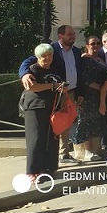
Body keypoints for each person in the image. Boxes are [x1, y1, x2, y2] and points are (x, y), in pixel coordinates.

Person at [19, 25, 84, 164]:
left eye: (73, 34)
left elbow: (79, 72)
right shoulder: (50, 49)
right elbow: (29, 61)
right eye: (70, 34)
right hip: (54, 94)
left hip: (70, 91)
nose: (73, 36)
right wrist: (25, 74)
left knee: (66, 122)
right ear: (60, 36)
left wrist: (80, 91)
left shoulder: (77, 51)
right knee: (54, 125)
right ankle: (62, 154)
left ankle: (63, 154)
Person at [20, 43, 64, 182]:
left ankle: (49, 168)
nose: (47, 58)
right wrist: (52, 86)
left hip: (52, 107)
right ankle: (32, 171)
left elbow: (60, 84)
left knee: (51, 137)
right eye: (43, 56)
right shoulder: (33, 69)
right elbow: (32, 87)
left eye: (49, 55)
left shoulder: (56, 67)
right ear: (38, 57)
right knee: (36, 138)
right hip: (35, 106)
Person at [73, 35, 107, 162]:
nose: (95, 46)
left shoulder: (100, 59)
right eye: (92, 43)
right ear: (87, 45)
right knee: (86, 122)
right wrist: (100, 88)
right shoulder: (85, 60)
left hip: (100, 96)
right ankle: (87, 151)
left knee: (97, 122)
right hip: (88, 95)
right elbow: (85, 79)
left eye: (98, 43)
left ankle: (97, 149)